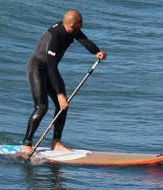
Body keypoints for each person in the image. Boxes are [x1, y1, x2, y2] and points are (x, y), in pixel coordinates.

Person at [21, 10, 107, 154]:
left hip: (50, 69)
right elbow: (51, 67)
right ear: (72, 25)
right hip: (37, 68)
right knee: (41, 107)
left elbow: (84, 40)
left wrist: (97, 52)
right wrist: (59, 93)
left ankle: (56, 143)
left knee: (63, 106)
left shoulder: (71, 29)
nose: (81, 29)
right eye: (79, 26)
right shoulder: (55, 36)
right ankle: (27, 145)